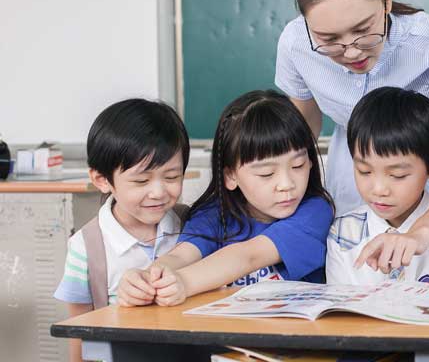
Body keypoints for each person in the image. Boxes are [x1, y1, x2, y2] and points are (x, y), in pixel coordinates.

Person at [275, 0, 429, 272]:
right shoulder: (295, 45)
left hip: (424, 189)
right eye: (329, 40)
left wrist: (419, 233)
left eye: (363, 31)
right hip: (351, 181)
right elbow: (299, 140)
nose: (352, 52)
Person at [117, 90, 334, 307]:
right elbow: (181, 256)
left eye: (298, 165)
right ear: (230, 176)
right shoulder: (214, 214)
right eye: (267, 173)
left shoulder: (315, 212)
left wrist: (184, 281)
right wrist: (147, 278)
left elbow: (249, 256)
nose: (287, 184)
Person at [54, 98, 190, 362]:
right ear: (102, 180)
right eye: (141, 180)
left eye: (172, 177)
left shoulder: (192, 227)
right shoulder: (86, 247)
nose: (159, 192)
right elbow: (79, 329)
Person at [326, 87, 429, 288]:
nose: (379, 189)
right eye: (364, 171)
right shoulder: (343, 233)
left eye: (397, 175)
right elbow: (339, 315)